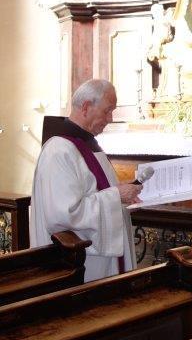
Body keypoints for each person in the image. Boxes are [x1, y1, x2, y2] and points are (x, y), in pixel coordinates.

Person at [29, 80, 141, 283]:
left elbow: (95, 190)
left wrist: (122, 192)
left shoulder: (86, 144)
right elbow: (64, 215)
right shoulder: (59, 151)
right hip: (83, 264)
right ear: (86, 107)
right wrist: (116, 195)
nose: (110, 119)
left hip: (100, 260)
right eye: (107, 111)